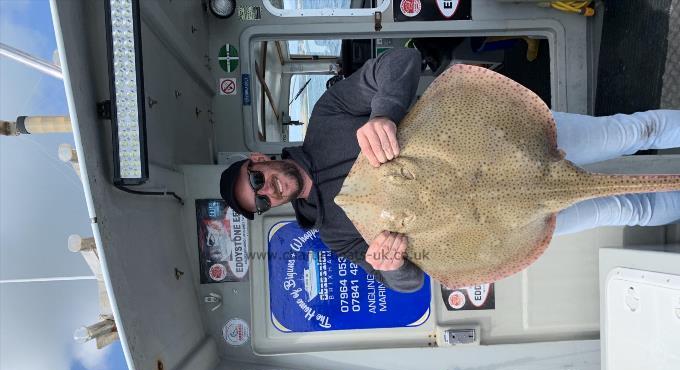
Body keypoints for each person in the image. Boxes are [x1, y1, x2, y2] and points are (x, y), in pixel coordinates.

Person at [220, 48, 680, 293]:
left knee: (632, 133)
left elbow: (400, 62)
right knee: (627, 206)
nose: (269, 192)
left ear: (259, 160)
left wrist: (383, 112)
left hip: (504, 138)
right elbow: (408, 283)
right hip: (510, 222)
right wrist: (392, 263)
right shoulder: (338, 238)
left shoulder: (327, 118)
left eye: (257, 181)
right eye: (260, 203)